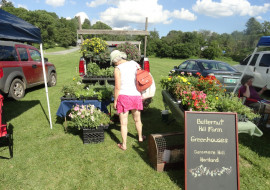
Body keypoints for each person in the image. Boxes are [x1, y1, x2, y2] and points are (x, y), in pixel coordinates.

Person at [110, 50, 145, 151]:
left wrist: (115, 100)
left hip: (124, 96)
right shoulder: (134, 63)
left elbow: (117, 87)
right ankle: (140, 138)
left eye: (113, 62)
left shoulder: (117, 69)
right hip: (136, 95)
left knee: (123, 123)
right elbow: (141, 76)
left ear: (116, 60)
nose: (114, 64)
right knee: (138, 120)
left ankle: (124, 145)